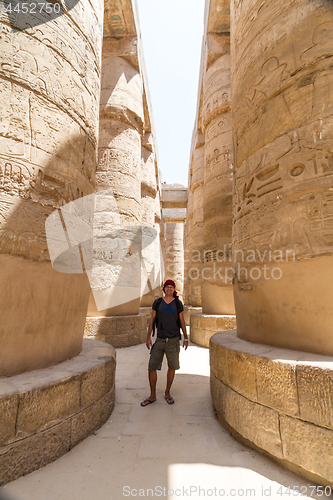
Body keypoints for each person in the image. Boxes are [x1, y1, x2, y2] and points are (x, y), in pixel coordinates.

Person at [141, 279, 188, 406]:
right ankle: (152, 395)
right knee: (152, 366)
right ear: (164, 289)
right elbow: (152, 319)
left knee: (172, 366)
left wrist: (186, 337)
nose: (169, 289)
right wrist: (148, 337)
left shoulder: (178, 303)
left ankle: (167, 392)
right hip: (160, 339)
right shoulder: (157, 302)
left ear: (174, 289)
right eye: (167, 287)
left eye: (171, 287)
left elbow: (182, 321)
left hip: (173, 340)